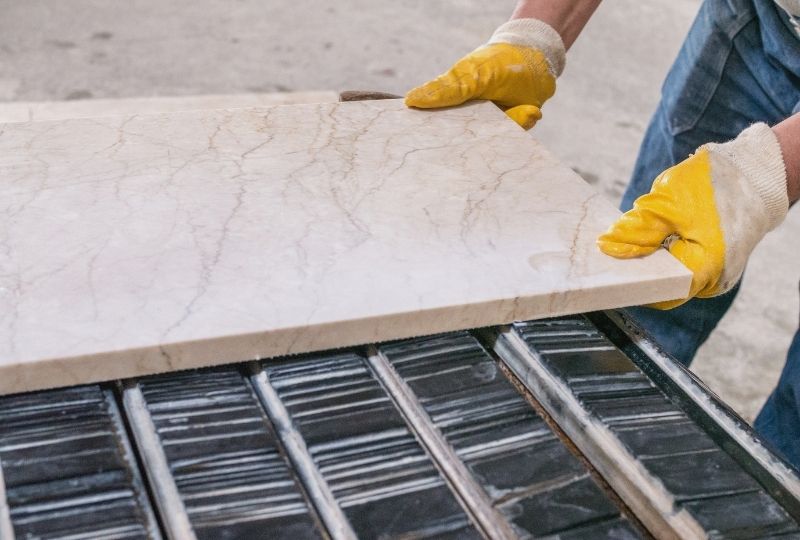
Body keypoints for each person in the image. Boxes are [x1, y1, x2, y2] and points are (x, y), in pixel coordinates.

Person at [404, 0, 800, 469]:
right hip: (760, 18)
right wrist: (536, 33)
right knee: (650, 276)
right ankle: (595, 455)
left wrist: (760, 176)